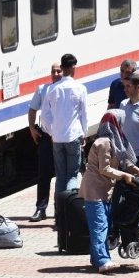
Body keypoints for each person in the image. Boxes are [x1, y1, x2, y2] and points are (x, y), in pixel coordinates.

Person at [80, 109, 139, 273]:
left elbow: (123, 161)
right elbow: (105, 168)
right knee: (100, 227)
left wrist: (136, 170)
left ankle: (96, 259)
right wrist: (124, 176)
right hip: (95, 191)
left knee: (104, 225)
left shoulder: (115, 141)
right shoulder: (104, 143)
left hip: (104, 191)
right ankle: (103, 261)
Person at [44, 53, 88, 193]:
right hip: (73, 136)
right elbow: (84, 115)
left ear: (62, 68)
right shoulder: (80, 88)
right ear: (74, 67)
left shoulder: (52, 89)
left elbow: (45, 115)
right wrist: (84, 133)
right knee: (72, 176)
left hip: (57, 138)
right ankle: (69, 207)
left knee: (60, 176)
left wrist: (52, 131)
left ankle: (59, 210)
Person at [27, 62, 62, 221]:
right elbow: (32, 109)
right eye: (53, 71)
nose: (55, 74)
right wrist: (32, 128)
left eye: (58, 71)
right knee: (43, 174)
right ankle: (41, 209)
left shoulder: (66, 89)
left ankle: (59, 208)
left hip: (62, 137)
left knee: (62, 175)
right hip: (46, 138)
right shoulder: (43, 89)